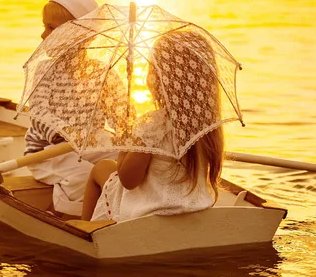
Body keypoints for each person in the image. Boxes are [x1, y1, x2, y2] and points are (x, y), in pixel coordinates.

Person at [82, 30, 224, 222]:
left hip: (148, 214)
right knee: (106, 166)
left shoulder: (152, 125)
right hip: (194, 208)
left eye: (151, 69)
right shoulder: (209, 125)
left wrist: (127, 142)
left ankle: (84, 232)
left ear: (161, 79)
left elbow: (128, 180)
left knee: (100, 168)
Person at [24, 0, 123, 217]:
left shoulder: (102, 71)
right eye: (44, 27)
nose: (43, 35)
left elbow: (120, 114)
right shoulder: (45, 69)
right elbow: (38, 114)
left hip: (91, 143)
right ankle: (63, 212)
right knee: (81, 176)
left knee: (124, 160)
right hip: (49, 150)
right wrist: (64, 132)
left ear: (78, 34)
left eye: (51, 28)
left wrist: (130, 128)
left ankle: (123, 207)